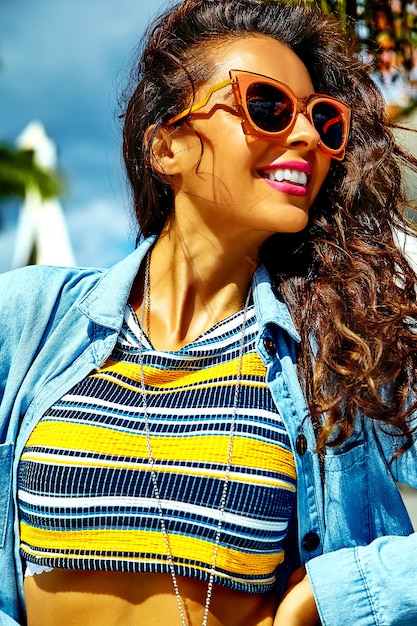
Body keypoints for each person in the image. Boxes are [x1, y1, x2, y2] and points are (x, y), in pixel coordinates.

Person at [1, 0, 417, 624]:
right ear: (167, 146)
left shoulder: (342, 352)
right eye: (268, 107)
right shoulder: (33, 317)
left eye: (324, 122)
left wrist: (338, 593)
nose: (306, 137)